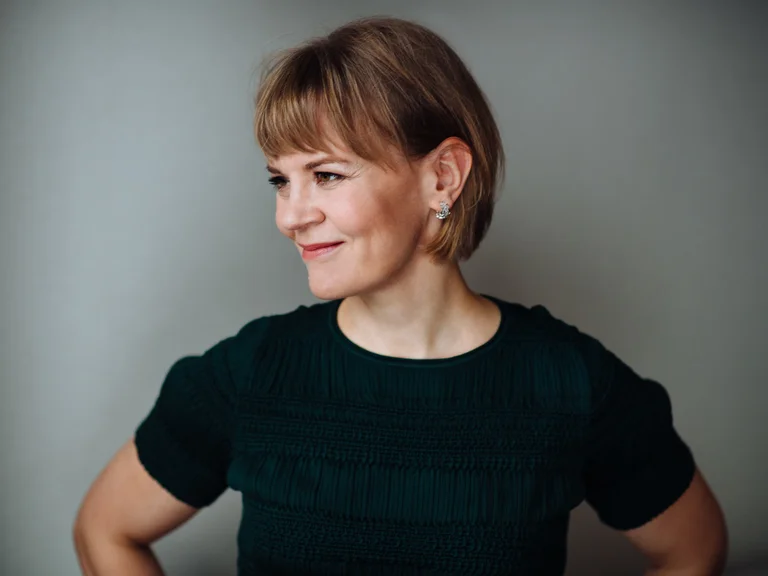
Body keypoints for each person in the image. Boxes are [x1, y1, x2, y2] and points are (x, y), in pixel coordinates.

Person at [73, 16, 728, 576]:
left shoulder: (569, 382)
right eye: (280, 180)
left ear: (442, 176)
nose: (290, 216)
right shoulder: (251, 373)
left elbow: (695, 550)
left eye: (327, 175)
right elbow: (104, 531)